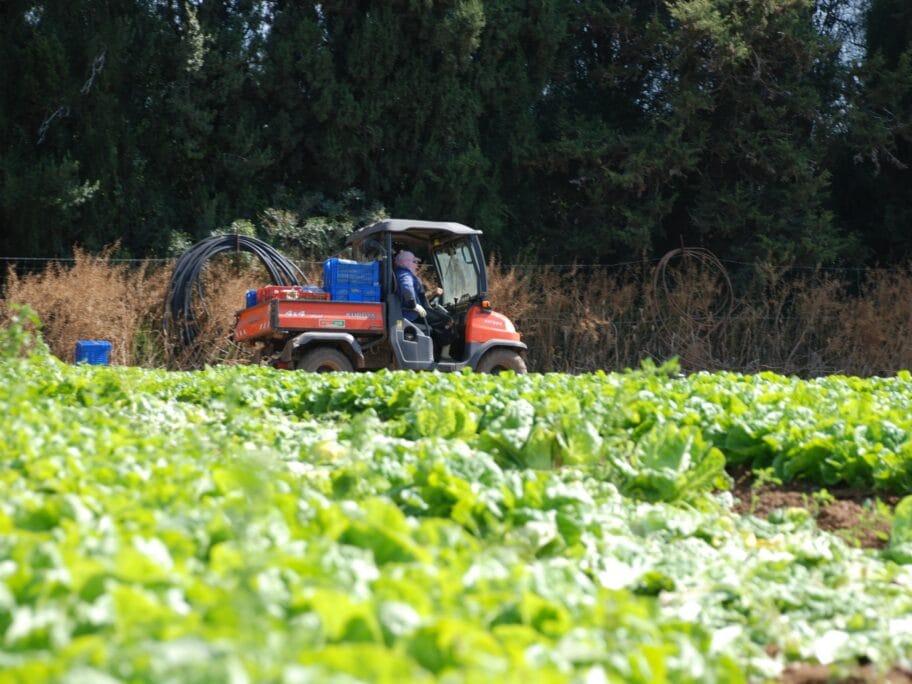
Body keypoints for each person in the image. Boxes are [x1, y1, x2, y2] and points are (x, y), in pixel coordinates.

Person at [393, 250, 454, 357]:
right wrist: (414, 305)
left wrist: (432, 294)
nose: (416, 265)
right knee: (447, 321)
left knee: (438, 319)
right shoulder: (405, 274)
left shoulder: (402, 272)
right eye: (414, 262)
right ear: (406, 262)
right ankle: (444, 355)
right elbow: (407, 290)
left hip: (410, 312)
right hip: (411, 314)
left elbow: (418, 295)